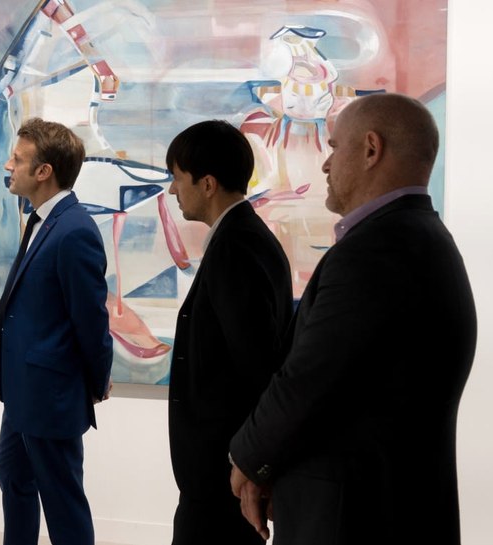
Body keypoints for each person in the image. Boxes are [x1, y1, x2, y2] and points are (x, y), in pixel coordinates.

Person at [229, 93, 477, 544]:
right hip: (391, 506)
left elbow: (309, 378)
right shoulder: (420, 238)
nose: (325, 164)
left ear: (370, 149)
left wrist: (248, 458)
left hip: (354, 516)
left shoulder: (377, 251)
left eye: (334, 146)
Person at [164, 120, 293, 545]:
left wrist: (252, 465)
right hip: (222, 471)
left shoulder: (236, 248)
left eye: (176, 178)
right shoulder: (243, 238)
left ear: (207, 184)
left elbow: (255, 368)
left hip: (222, 474)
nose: (170, 190)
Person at [0, 118, 114, 545]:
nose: (8, 165)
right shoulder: (44, 221)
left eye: (18, 160)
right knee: (12, 473)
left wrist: (95, 382)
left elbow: (91, 318)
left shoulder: (74, 230)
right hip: (26, 388)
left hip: (51, 393)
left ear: (44, 172)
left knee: (62, 500)